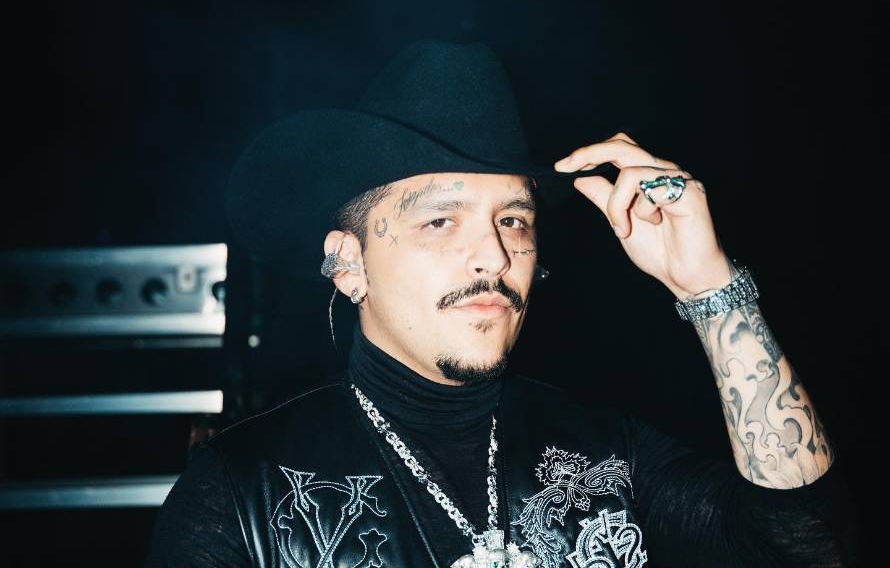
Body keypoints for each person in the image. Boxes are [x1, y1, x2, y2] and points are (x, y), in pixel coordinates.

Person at [145, 40, 859, 567]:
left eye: (513, 220)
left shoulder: (605, 454)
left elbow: (808, 548)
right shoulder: (243, 493)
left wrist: (709, 288)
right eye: (440, 220)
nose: (493, 255)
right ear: (349, 264)